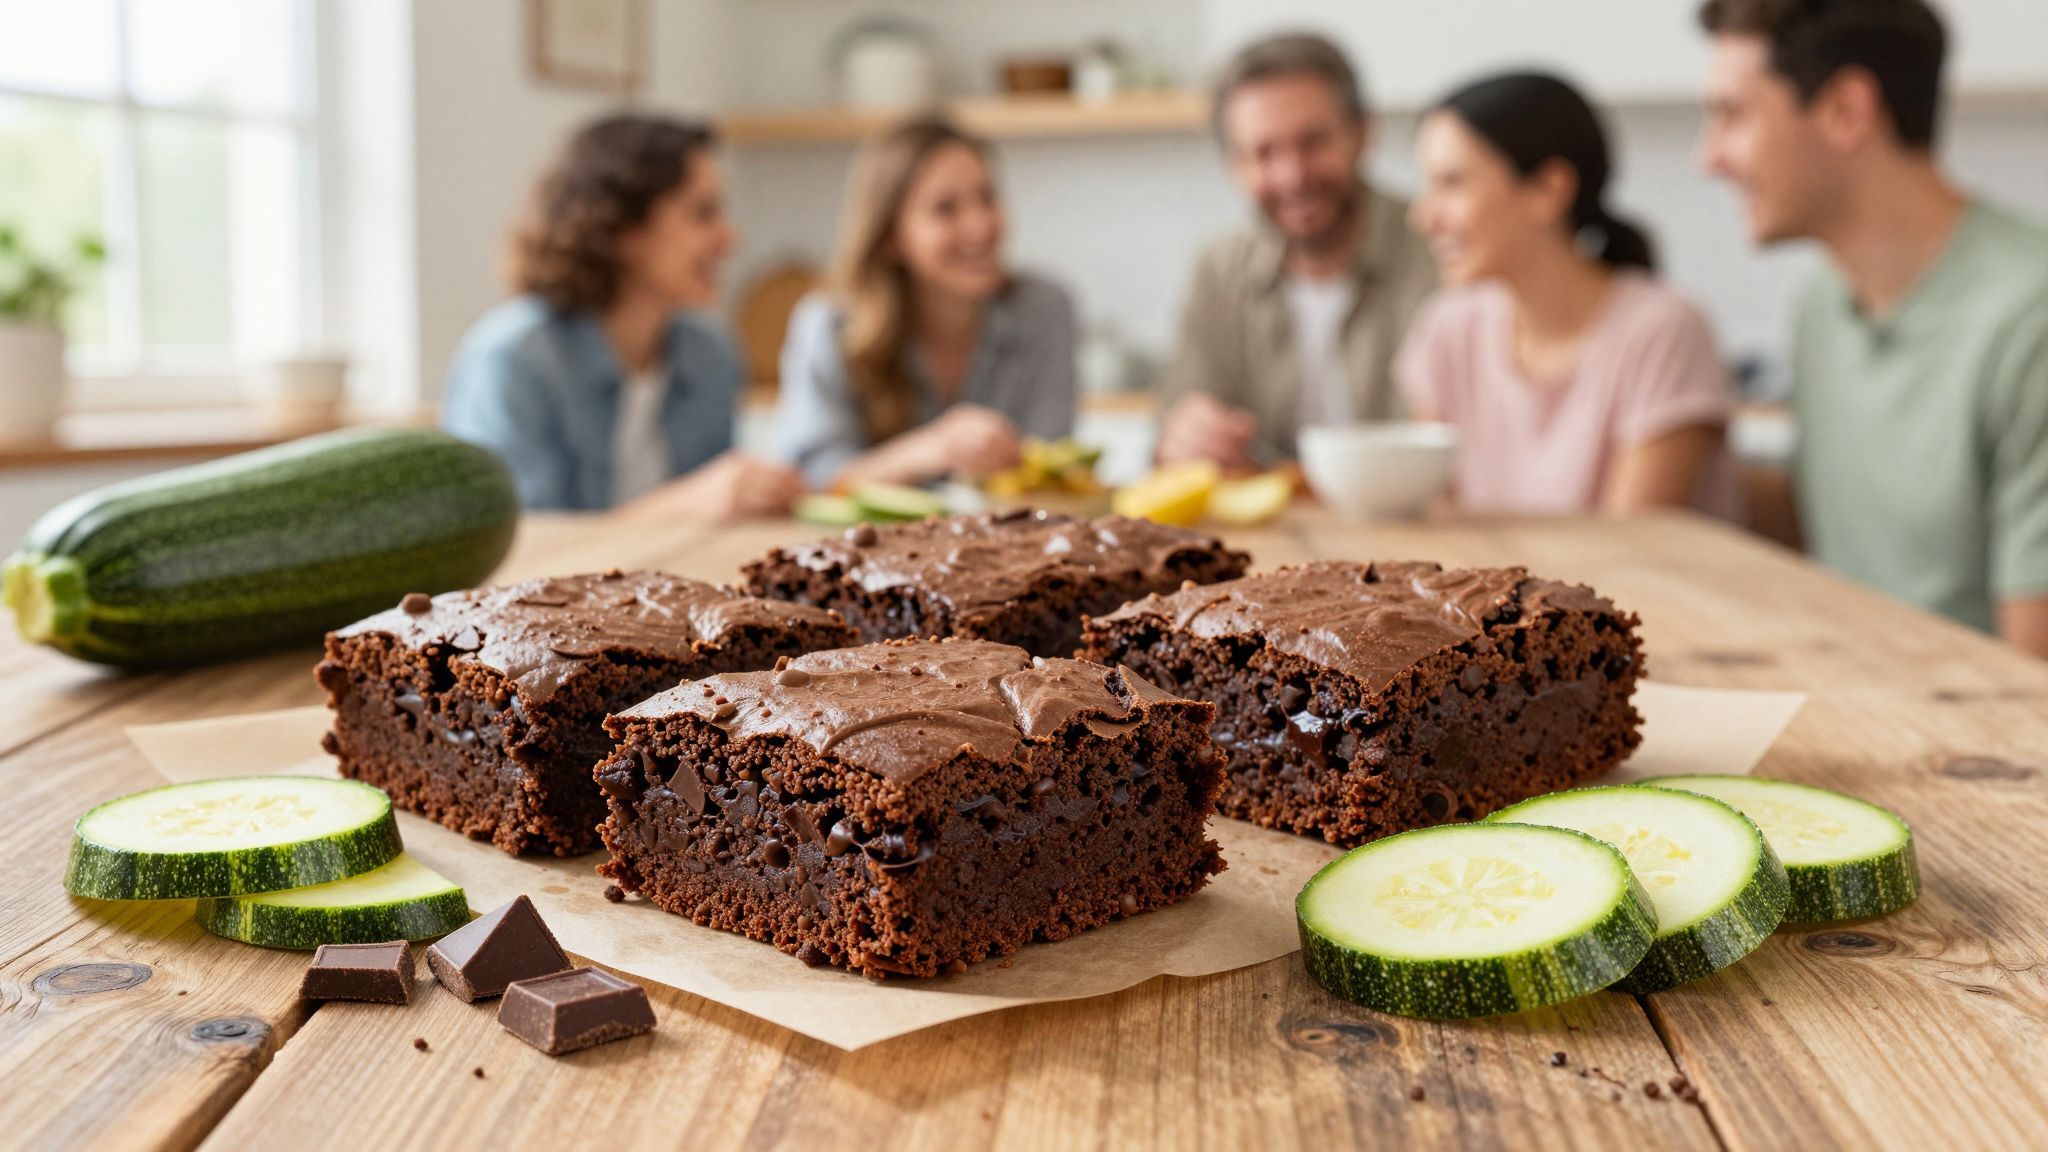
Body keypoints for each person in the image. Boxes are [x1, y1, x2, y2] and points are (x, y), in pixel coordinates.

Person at [1698, 0, 2048, 655]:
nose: (1709, 159)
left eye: (1732, 116)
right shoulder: (1822, 306)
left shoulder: (2032, 321)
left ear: (1845, 111)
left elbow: (2036, 681)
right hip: (1864, 702)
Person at [1397, 72, 1739, 516]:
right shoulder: (1449, 329)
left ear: (1548, 190)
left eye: (1453, 183)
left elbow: (1635, 548)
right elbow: (1435, 529)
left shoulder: (1663, 331)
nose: (1423, 217)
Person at [441, 114, 799, 516]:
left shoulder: (711, 352)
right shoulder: (513, 359)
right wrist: (683, 506)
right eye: (702, 213)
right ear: (619, 226)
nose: (729, 238)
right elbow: (525, 549)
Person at [1156, 33, 1435, 469]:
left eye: (1313, 143)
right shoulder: (1218, 270)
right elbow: (1175, 426)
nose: (1293, 176)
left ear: (1362, 134)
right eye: (1264, 153)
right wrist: (1189, 433)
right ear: (1235, 166)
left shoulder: (1439, 252)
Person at [777, 117, 1076, 488]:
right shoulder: (830, 324)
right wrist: (931, 448)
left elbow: (1052, 464)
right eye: (945, 208)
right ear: (890, 236)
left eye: (987, 197)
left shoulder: (1044, 310)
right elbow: (811, 476)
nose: (980, 225)